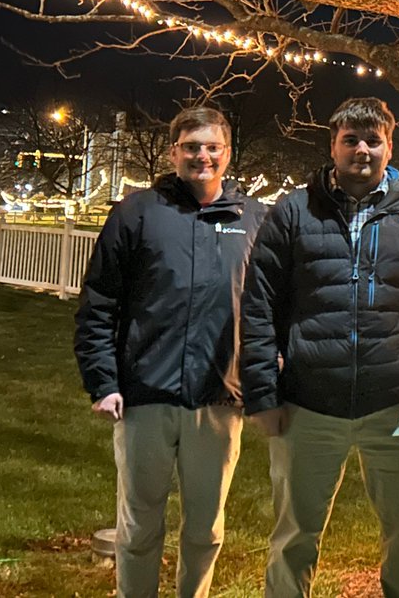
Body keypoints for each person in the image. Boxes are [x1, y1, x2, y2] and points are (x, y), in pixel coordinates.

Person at [239, 97, 399, 598]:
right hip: (308, 405)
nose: (362, 150)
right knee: (294, 536)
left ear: (388, 146)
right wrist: (262, 393)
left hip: (396, 403)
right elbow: (259, 308)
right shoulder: (293, 212)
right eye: (350, 140)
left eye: (372, 140)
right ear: (333, 146)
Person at [74, 106, 266, 598]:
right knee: (139, 527)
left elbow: (270, 311)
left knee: (206, 529)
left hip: (220, 398)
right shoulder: (137, 213)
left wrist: (264, 383)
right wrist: (104, 381)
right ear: (173, 152)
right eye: (191, 147)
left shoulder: (254, 221)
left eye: (212, 147)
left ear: (227, 153)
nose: (202, 156)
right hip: (144, 396)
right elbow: (100, 302)